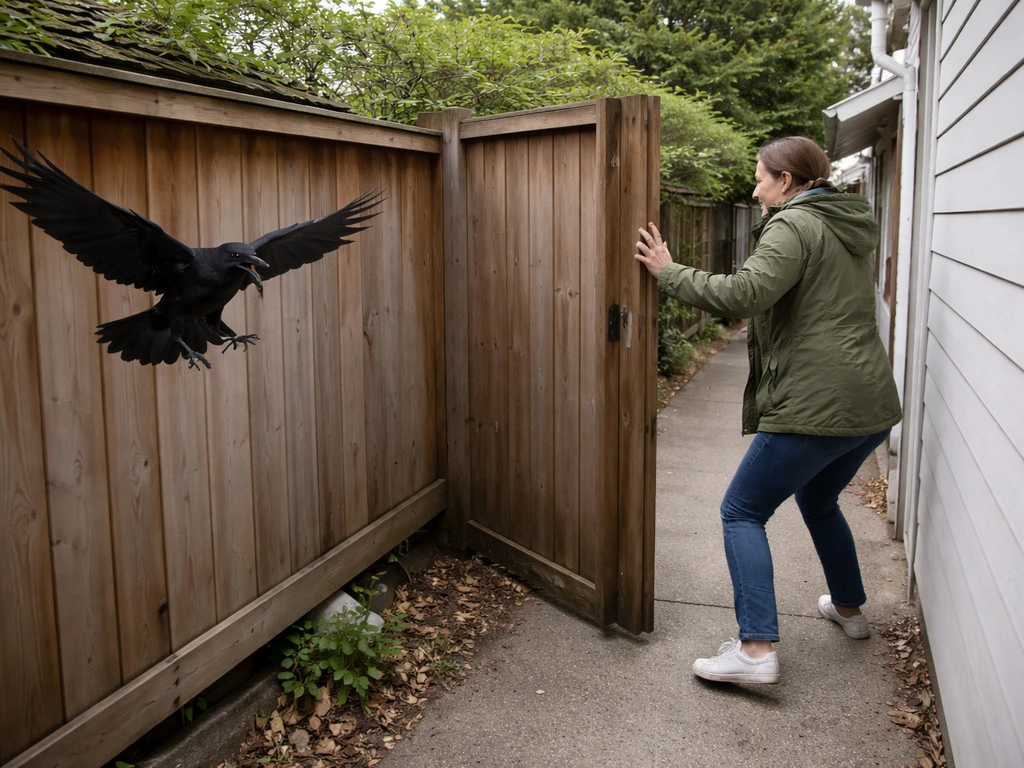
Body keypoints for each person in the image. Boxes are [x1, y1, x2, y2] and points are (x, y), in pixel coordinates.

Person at [634, 136, 902, 685]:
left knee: (741, 511)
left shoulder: (792, 223)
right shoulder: (844, 223)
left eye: (760, 178)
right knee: (819, 498)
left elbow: (744, 294)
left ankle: (755, 650)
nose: (755, 189)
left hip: (817, 403)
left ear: (786, 180)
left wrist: (668, 271)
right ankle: (848, 608)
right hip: (868, 402)